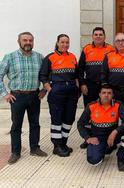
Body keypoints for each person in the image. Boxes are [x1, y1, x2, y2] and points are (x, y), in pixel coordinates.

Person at [0, 32, 48, 164]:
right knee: (16, 125)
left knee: (35, 123)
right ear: (19, 41)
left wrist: (44, 89)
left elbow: (47, 75)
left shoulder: (39, 57)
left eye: (30, 40)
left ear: (33, 42)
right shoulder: (10, 57)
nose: (28, 43)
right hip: (17, 96)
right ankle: (15, 152)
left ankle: (35, 148)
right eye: (25, 40)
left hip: (34, 95)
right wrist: (5, 94)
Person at [39, 34, 79, 157]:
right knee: (57, 119)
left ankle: (63, 143)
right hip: (57, 91)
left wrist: (77, 88)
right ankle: (57, 145)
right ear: (57, 43)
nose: (65, 45)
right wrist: (50, 89)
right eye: (62, 42)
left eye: (67, 42)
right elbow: (43, 76)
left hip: (71, 91)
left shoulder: (72, 56)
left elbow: (76, 75)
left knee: (69, 118)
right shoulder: (50, 57)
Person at [77, 84, 124, 171]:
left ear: (113, 95)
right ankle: (103, 149)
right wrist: (88, 138)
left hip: (113, 136)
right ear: (99, 94)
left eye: (109, 93)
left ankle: (121, 158)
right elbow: (80, 124)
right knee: (93, 160)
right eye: (104, 93)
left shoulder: (118, 104)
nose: (106, 95)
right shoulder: (91, 106)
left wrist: (115, 132)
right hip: (98, 138)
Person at [78, 27, 114, 149]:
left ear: (105, 36)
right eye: (96, 34)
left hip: (105, 86)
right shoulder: (87, 49)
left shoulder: (110, 49)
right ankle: (88, 137)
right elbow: (80, 69)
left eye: (100, 34)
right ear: (92, 36)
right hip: (90, 85)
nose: (98, 36)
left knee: (108, 110)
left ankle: (110, 137)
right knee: (89, 111)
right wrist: (82, 84)